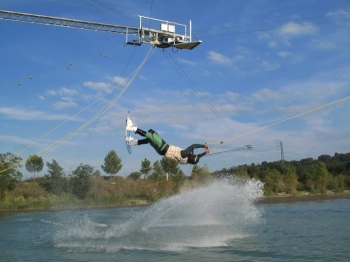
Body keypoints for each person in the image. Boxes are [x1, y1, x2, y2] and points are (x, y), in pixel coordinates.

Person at [126, 117, 209, 165]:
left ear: (191, 156)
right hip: (161, 152)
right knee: (150, 139)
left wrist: (203, 146)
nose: (194, 154)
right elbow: (197, 157)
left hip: (164, 147)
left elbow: (193, 146)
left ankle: (132, 128)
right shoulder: (186, 161)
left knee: (151, 135)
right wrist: (205, 152)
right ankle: (133, 143)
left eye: (194, 155)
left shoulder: (185, 154)